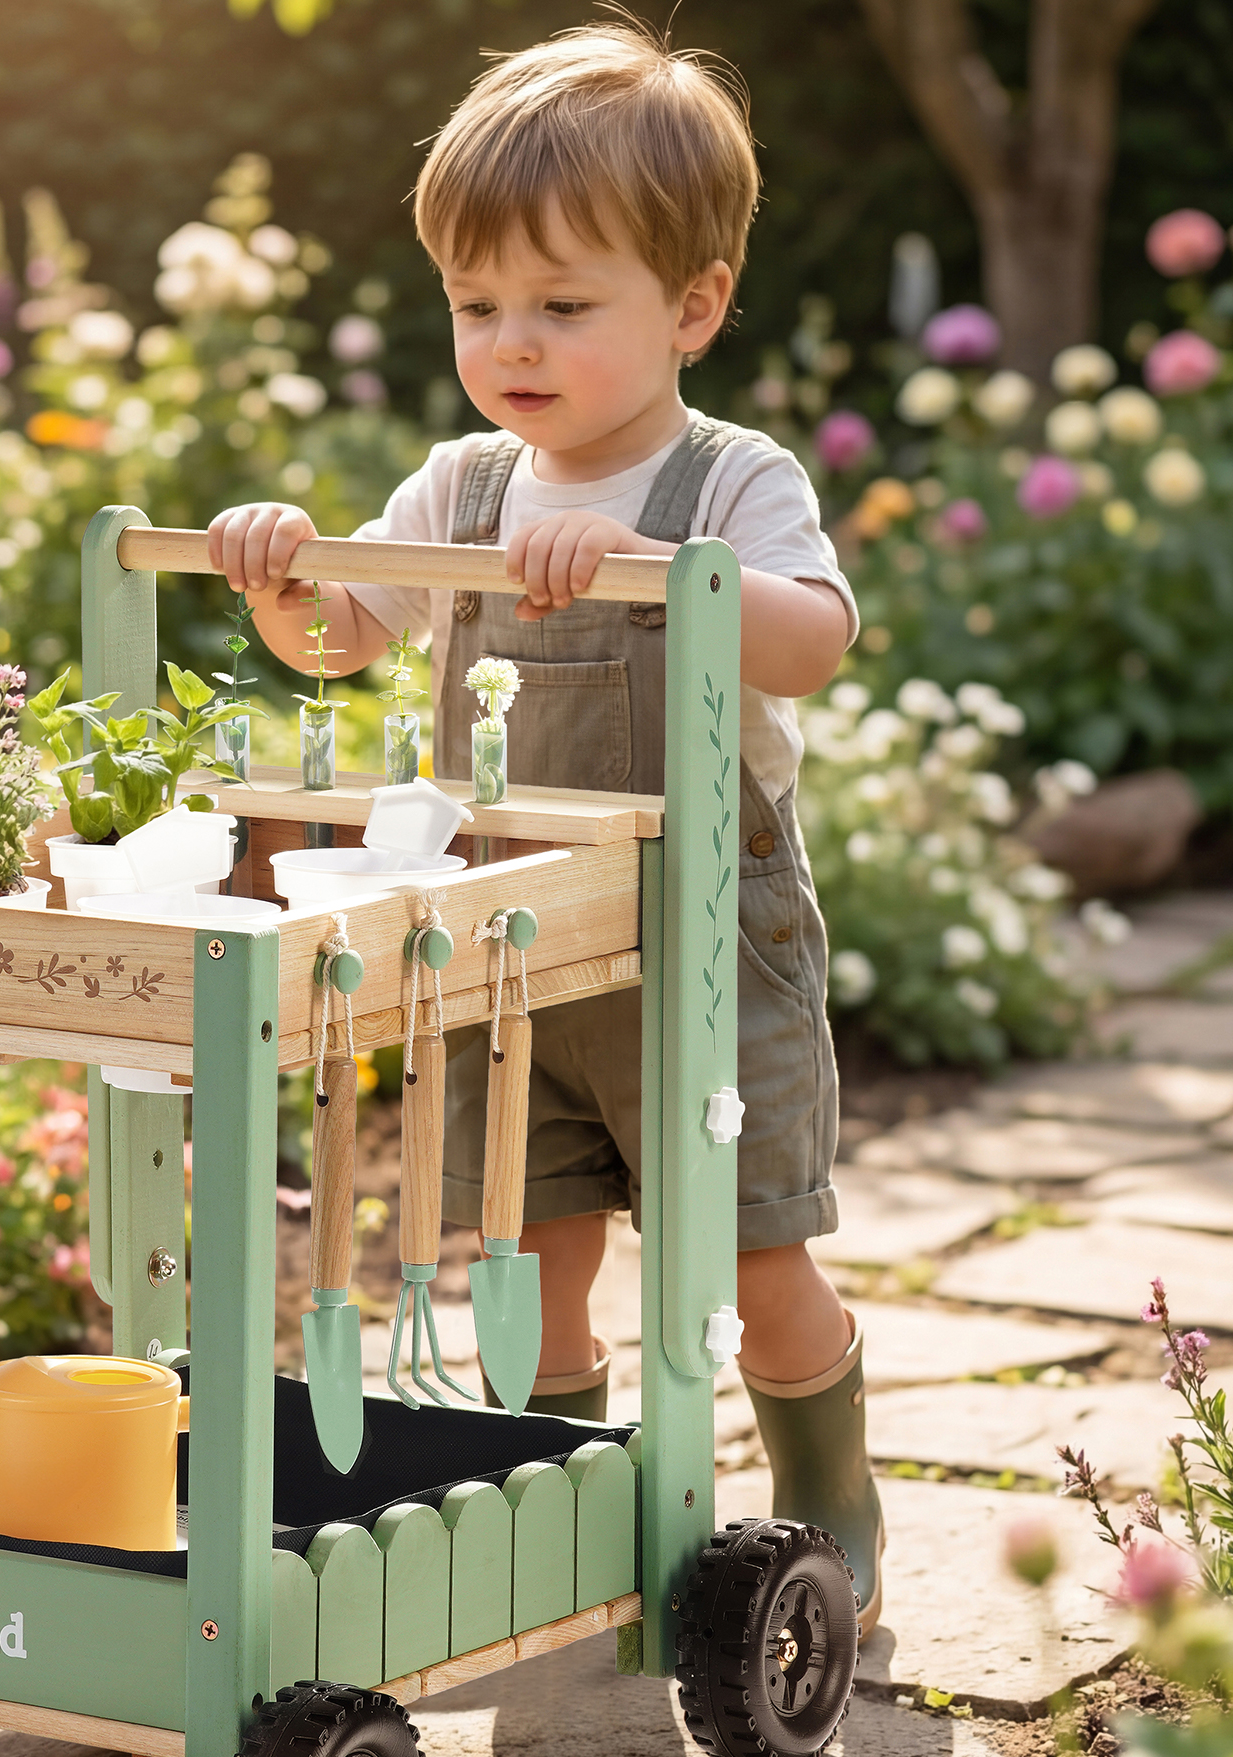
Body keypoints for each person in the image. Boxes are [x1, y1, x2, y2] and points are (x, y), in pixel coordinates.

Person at [204, 20, 881, 1634]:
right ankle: (560, 1517)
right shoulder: (460, 487)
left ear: (694, 309)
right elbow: (345, 633)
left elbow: (818, 636)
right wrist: (285, 572)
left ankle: (827, 1494)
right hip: (515, 953)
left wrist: (658, 570)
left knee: (749, 1263)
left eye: (565, 307)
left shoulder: (728, 480)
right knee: (530, 1244)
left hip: (704, 950)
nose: (513, 341)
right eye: (477, 304)